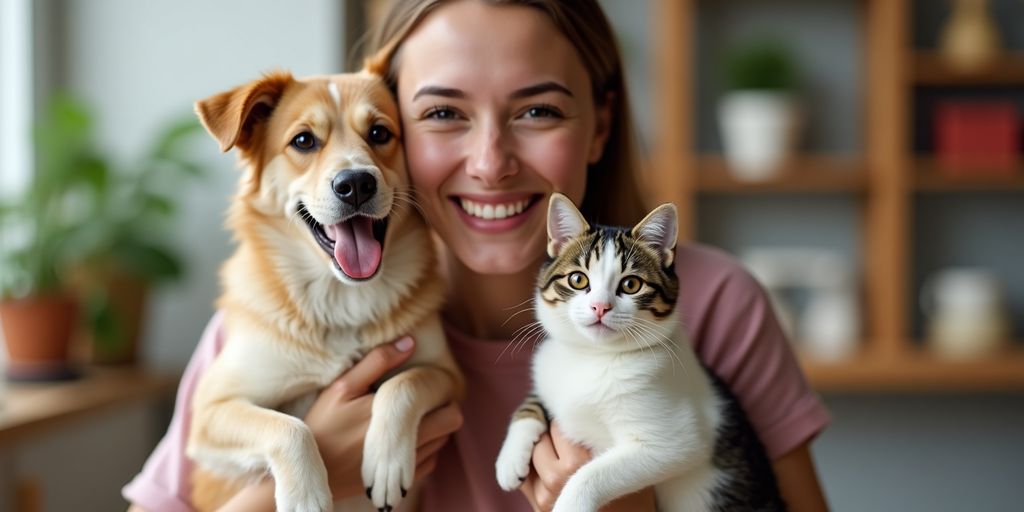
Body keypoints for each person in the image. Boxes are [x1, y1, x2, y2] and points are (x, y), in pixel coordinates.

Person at [124, 1, 831, 511]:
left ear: (600, 127)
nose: (490, 164)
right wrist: (302, 475)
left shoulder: (711, 303)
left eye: (537, 111)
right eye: (442, 114)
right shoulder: (273, 316)